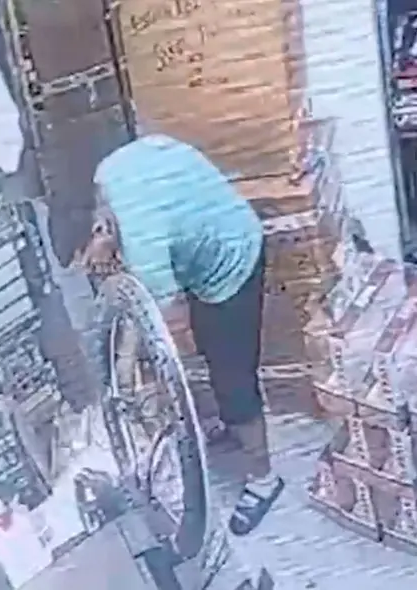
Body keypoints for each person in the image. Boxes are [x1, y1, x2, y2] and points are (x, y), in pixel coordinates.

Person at [49, 134, 283, 536]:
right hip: (203, 224)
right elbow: (159, 145)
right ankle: (232, 425)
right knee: (211, 345)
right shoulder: (106, 176)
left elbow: (158, 333)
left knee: (232, 377)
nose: (92, 270)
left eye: (90, 261)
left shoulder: (145, 249)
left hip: (231, 256)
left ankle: (264, 480)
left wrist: (124, 375)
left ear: (101, 229)